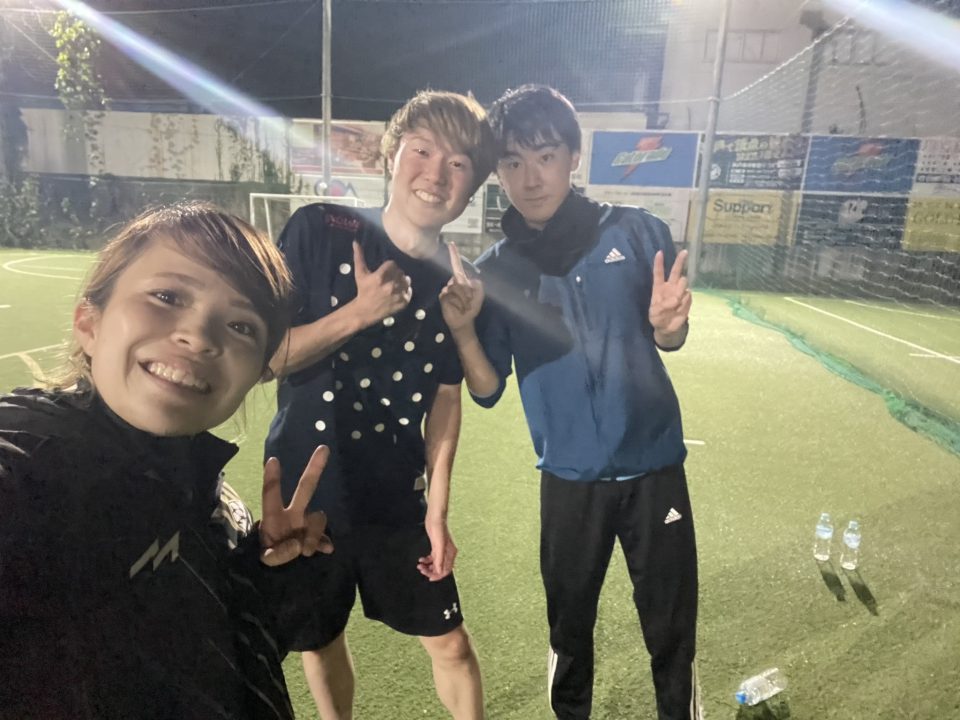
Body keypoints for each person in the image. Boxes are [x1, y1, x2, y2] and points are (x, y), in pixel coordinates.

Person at [0, 202, 339, 720]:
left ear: (259, 373)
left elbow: (215, 645)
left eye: (241, 325)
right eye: (167, 296)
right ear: (89, 322)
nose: (199, 337)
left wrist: (270, 572)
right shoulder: (29, 470)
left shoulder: (208, 490)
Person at [440, 85, 701, 720]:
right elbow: (487, 389)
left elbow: (671, 337)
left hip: (655, 471)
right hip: (568, 480)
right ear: (498, 171)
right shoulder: (497, 271)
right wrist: (465, 330)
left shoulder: (636, 232)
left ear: (574, 157)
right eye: (513, 162)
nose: (530, 178)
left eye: (546, 156)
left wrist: (669, 327)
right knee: (569, 627)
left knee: (671, 628)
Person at [264, 90, 496, 720]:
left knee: (450, 643)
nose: (436, 173)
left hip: (395, 491)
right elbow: (268, 358)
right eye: (422, 151)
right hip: (307, 488)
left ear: (471, 188)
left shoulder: (459, 285)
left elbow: (447, 398)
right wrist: (359, 313)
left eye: (458, 164)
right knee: (320, 637)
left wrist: (438, 512)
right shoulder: (318, 229)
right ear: (391, 155)